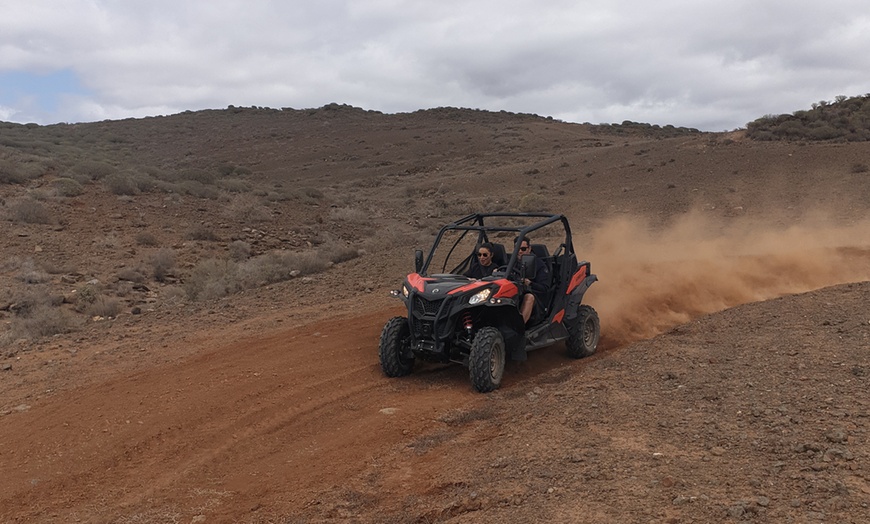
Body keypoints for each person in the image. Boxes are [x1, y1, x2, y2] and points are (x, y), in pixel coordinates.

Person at [516, 237, 549, 324]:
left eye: (523, 249)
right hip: (516, 294)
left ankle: (519, 328)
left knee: (529, 297)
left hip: (536, 300)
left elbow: (544, 288)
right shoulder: (512, 263)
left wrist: (530, 283)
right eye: (517, 249)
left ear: (529, 249)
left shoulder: (539, 265)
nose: (520, 251)